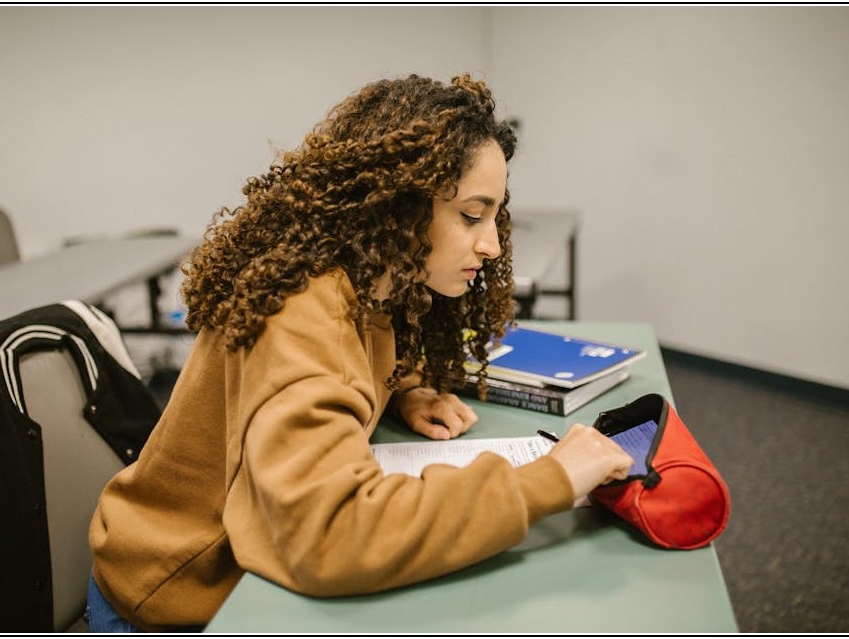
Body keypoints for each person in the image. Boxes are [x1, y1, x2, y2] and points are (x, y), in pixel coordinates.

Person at [86, 73, 632, 633]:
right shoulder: (301, 313)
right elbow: (330, 532)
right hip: (174, 593)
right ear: (398, 206)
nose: (491, 244)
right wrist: (549, 480)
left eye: (496, 216)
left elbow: (352, 362)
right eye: (472, 216)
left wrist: (403, 389)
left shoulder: (369, 281)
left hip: (224, 576)